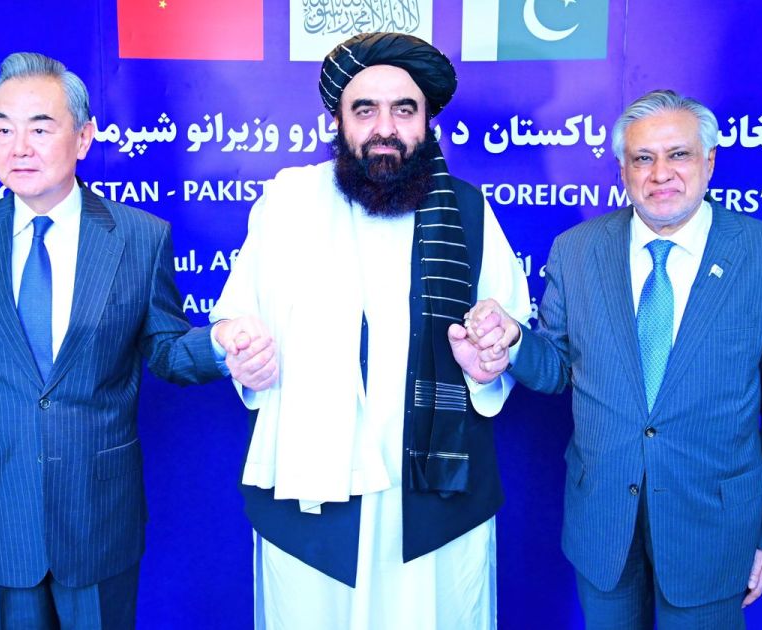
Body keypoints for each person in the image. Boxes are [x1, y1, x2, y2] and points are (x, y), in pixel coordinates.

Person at [0, 52, 273, 629]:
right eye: (2, 129)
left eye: (40, 128)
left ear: (83, 138)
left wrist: (219, 343)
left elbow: (166, 349)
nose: (18, 147)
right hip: (1, 513)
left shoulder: (139, 238)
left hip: (99, 517)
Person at [208, 32, 530, 629]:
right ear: (338, 121)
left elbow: (509, 334)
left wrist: (493, 357)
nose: (385, 128)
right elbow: (234, 318)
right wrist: (242, 353)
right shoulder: (288, 204)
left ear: (427, 122)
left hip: (435, 495)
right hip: (311, 495)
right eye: (365, 110)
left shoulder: (467, 210)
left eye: (404, 110)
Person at [462, 89, 762, 628]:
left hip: (714, 529)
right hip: (604, 520)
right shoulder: (576, 251)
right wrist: (513, 344)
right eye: (643, 158)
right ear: (623, 169)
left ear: (709, 161)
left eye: (678, 155)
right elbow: (557, 366)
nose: (660, 173)